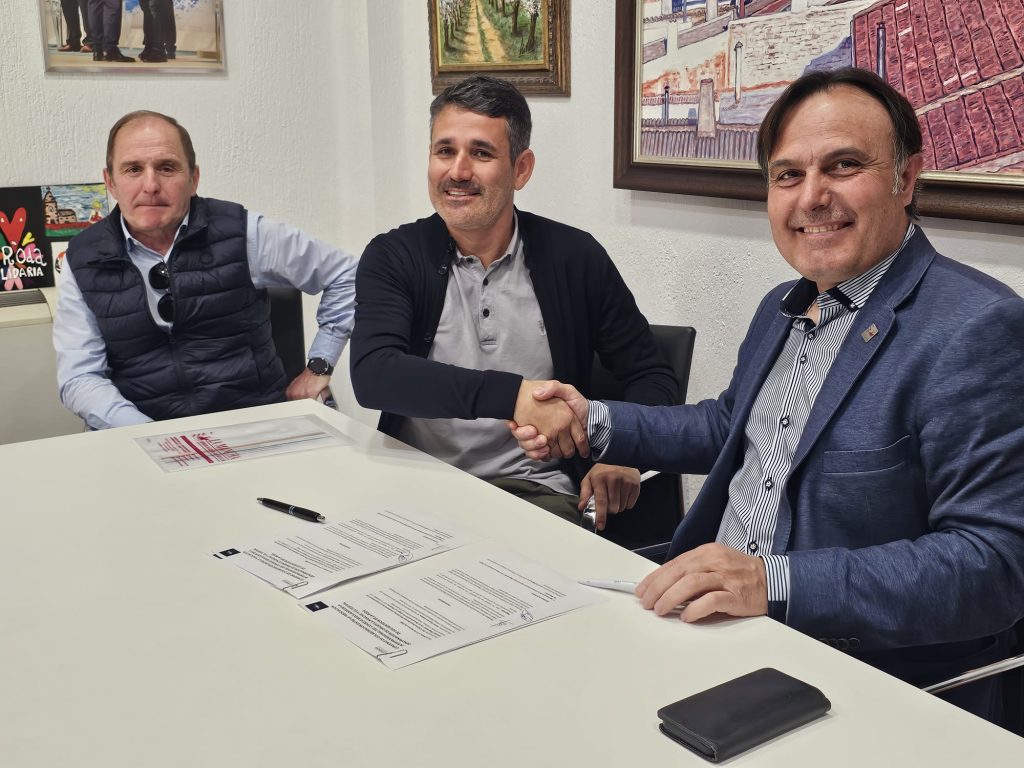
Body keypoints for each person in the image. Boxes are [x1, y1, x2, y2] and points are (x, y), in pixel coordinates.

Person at [511, 68, 1024, 721]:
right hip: (709, 625)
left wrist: (770, 582)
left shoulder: (975, 328)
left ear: (906, 178)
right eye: (787, 175)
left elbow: (993, 566)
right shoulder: (784, 306)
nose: (812, 197)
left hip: (839, 677)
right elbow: (730, 426)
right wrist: (594, 420)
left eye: (844, 165)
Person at [349, 75, 677, 528]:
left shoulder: (574, 257)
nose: (458, 171)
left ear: (521, 168)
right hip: (416, 484)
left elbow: (651, 375)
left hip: (533, 491)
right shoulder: (393, 256)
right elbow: (374, 374)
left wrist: (625, 450)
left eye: (481, 153)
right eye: (445, 151)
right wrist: (514, 397)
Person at [54, 110, 357, 429]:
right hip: (138, 432)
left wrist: (320, 366)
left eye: (166, 168)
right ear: (110, 182)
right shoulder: (82, 259)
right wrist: (150, 434)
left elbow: (348, 275)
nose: (151, 185)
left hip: (253, 426)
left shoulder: (243, 233)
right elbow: (80, 377)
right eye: (133, 169)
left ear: (193, 178)